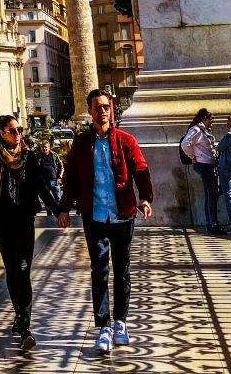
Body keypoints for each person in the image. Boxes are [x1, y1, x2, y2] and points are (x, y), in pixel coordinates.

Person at [57, 89, 153, 355]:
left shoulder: (125, 140)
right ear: (89, 111)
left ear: (111, 110)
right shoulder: (81, 143)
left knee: (122, 269)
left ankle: (120, 321)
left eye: (105, 107)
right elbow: (72, 178)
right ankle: (103, 327)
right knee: (99, 270)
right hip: (94, 215)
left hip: (122, 214)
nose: (102, 111)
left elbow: (140, 169)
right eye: (97, 107)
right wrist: (64, 208)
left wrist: (145, 198)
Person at [0, 115, 59, 350]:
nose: (18, 134)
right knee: (12, 272)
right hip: (4, 223)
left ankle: (25, 325)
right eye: (12, 130)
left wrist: (58, 210)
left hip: (25, 221)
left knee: (23, 270)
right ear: (2, 133)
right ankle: (18, 314)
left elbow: (41, 188)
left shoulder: (29, 157)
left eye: (19, 130)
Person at [181, 108, 221, 232]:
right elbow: (185, 144)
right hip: (204, 164)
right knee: (212, 193)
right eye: (210, 120)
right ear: (204, 119)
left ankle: (211, 222)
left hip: (208, 164)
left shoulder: (203, 130)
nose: (212, 123)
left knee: (210, 193)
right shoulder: (196, 130)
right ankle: (213, 223)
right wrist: (193, 156)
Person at [34, 140, 64, 214]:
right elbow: (34, 168)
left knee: (57, 197)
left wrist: (59, 177)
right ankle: (49, 212)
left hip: (54, 180)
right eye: (43, 148)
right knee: (46, 198)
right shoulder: (37, 156)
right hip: (43, 181)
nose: (45, 149)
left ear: (49, 147)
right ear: (41, 148)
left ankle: (58, 212)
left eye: (46, 147)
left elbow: (61, 166)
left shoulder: (54, 155)